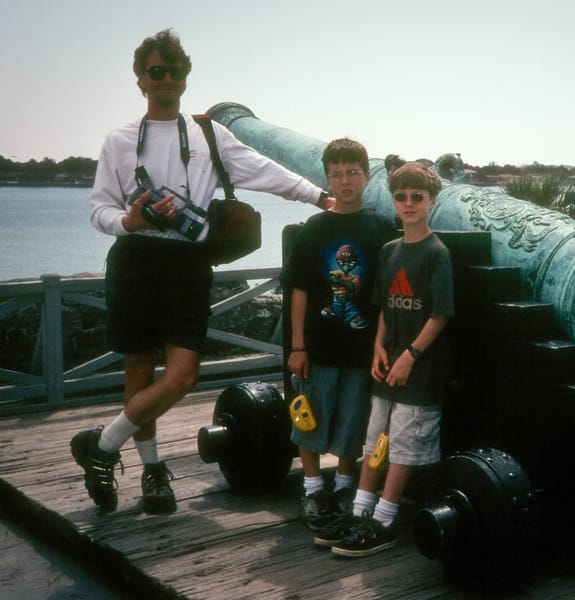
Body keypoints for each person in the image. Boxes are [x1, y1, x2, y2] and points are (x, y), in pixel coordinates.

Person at [70, 29, 333, 515]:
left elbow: (264, 169)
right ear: (140, 80)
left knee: (183, 374)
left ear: (185, 79)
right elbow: (99, 210)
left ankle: (102, 446)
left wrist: (318, 196)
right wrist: (128, 219)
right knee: (139, 370)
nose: (165, 78)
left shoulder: (210, 134)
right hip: (135, 257)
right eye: (155, 71)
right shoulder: (120, 140)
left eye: (174, 71)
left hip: (188, 261)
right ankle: (151, 472)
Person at [314, 161, 454, 557]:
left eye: (417, 198)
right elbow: (381, 309)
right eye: (401, 197)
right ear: (393, 201)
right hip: (387, 363)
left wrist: (410, 355)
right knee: (378, 440)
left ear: (431, 201)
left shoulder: (436, 253)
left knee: (405, 445)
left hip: (419, 368)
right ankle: (361, 510)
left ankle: (385, 520)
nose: (408, 204)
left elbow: (440, 313)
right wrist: (378, 348)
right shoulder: (391, 250)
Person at [282, 138, 397, 530]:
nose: (345, 180)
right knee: (309, 418)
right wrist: (298, 346)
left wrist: (382, 346)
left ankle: (346, 485)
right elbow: (298, 289)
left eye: (352, 173)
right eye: (336, 174)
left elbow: (385, 296)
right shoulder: (315, 228)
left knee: (354, 418)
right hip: (319, 345)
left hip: (362, 349)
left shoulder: (381, 228)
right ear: (327, 179)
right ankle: (313, 488)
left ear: (366, 177)